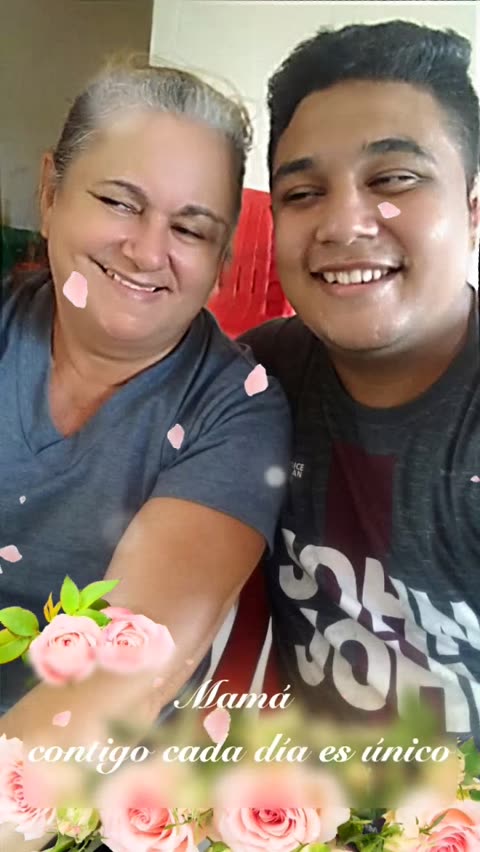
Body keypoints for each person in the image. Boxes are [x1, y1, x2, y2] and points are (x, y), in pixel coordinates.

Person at [0, 56, 290, 767]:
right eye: (120, 202)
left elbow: (114, 687)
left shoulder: (236, 412)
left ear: (222, 257)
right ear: (50, 192)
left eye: (191, 229)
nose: (147, 250)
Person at [241, 20, 480, 740]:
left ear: (472, 211)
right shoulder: (253, 382)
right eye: (303, 192)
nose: (343, 225)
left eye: (393, 179)